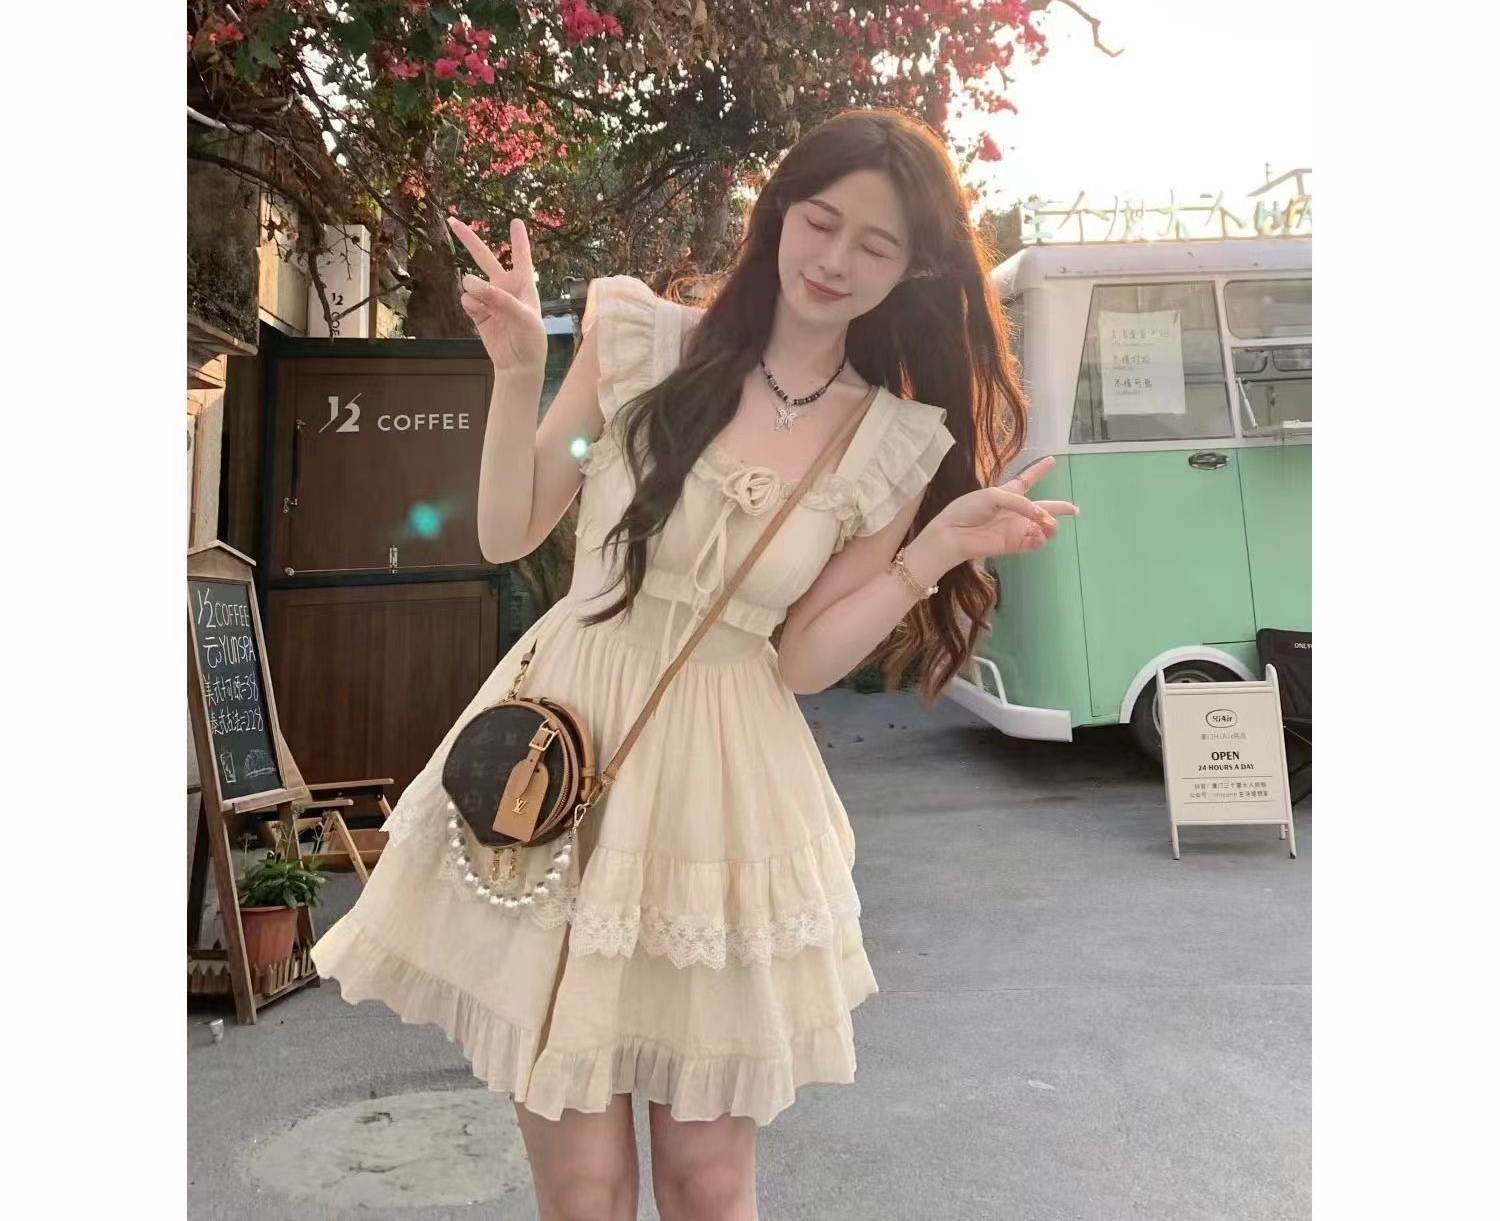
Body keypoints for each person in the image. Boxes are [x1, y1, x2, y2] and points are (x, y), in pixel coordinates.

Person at [312, 108, 1078, 1221]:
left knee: (708, 1184)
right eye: (822, 221)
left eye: (876, 244)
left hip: (723, 790)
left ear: (912, 268)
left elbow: (804, 660)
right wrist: (520, 373)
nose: (836, 259)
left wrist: (933, 553)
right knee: (584, 1187)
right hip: (567, 747)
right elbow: (510, 526)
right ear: (779, 212)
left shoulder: (890, 441)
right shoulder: (640, 342)